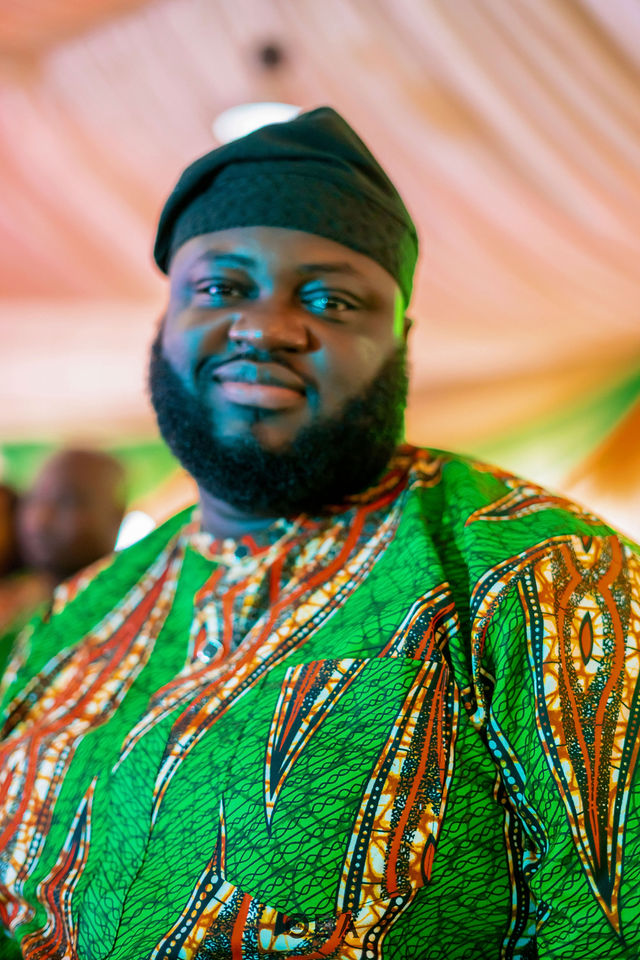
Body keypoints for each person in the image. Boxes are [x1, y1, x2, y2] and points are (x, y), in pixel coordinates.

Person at [0, 108, 638, 960]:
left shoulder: (548, 573)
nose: (266, 327)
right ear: (166, 323)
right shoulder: (72, 620)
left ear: (400, 341)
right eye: (221, 289)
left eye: (331, 300)